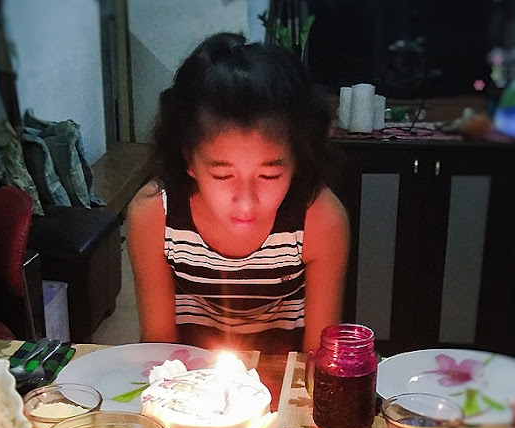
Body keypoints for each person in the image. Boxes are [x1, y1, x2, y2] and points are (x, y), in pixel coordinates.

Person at [127, 32, 349, 354]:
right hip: (191, 380)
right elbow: (158, 348)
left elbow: (320, 357)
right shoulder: (154, 216)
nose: (246, 201)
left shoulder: (319, 219)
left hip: (289, 380)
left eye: (269, 174)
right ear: (189, 162)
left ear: (298, 161)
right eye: (222, 174)